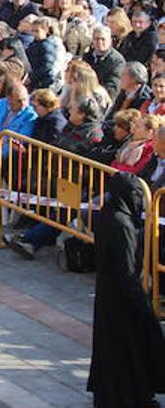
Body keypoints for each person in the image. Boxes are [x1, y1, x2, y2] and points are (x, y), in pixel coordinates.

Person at [86, 172, 165, 407]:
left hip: (107, 294)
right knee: (130, 348)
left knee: (112, 347)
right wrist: (141, 304)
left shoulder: (106, 215)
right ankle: (132, 396)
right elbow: (126, 269)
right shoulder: (122, 226)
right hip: (123, 297)